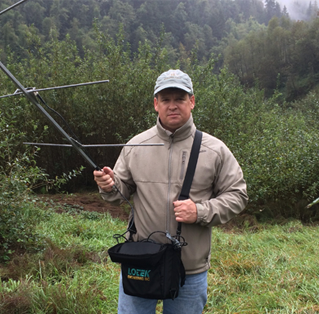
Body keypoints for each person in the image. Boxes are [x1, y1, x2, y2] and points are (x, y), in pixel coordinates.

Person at [93, 69, 248, 314]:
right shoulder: (135, 146)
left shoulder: (215, 150)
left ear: (192, 101)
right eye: (166, 99)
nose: (172, 105)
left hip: (190, 268)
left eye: (180, 98)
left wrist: (200, 211)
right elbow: (118, 193)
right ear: (156, 104)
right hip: (141, 263)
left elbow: (237, 195)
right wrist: (109, 185)